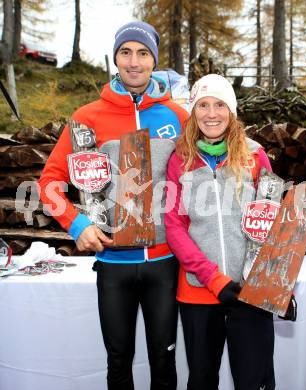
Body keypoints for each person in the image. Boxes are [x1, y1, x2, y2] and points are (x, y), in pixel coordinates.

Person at [38, 21, 188, 390]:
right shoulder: (87, 117)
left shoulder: (178, 117)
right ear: (115, 59)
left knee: (164, 359)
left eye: (142, 53)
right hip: (112, 264)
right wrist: (76, 225)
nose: (134, 62)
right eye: (125, 52)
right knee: (118, 360)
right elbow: (48, 183)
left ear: (154, 60)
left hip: (164, 262)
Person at [165, 74, 275, 390]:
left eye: (219, 105)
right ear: (193, 111)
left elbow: (272, 222)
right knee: (201, 380)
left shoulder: (255, 155)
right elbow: (174, 227)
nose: (211, 113)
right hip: (199, 289)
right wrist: (213, 278)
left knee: (254, 380)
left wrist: (277, 282)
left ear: (232, 111)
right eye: (203, 105)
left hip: (249, 290)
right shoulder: (179, 160)